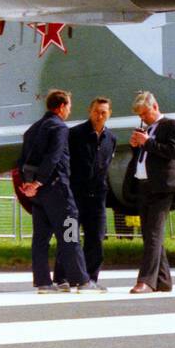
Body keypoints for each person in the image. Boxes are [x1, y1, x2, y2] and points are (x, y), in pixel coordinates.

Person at [16, 89, 93, 292]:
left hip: (38, 197)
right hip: (58, 191)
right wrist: (39, 182)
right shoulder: (59, 128)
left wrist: (28, 184)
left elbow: (21, 160)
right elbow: (54, 157)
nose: (69, 110)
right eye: (68, 106)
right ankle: (81, 280)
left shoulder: (32, 129)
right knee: (70, 233)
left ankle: (43, 281)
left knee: (40, 239)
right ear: (61, 107)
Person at [126, 91, 175, 294]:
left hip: (163, 187)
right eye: (140, 115)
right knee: (149, 234)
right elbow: (146, 155)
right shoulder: (147, 129)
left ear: (155, 107)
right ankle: (163, 279)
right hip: (145, 185)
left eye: (145, 113)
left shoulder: (171, 125)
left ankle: (146, 280)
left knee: (153, 234)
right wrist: (137, 146)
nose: (143, 118)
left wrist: (148, 142)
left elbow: (174, 152)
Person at [55, 97, 116, 286]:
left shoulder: (111, 139)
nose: (99, 115)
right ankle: (62, 278)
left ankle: (90, 278)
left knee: (96, 239)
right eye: (96, 111)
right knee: (69, 235)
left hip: (97, 197)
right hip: (75, 194)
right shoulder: (74, 134)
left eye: (103, 112)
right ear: (90, 111)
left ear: (109, 114)